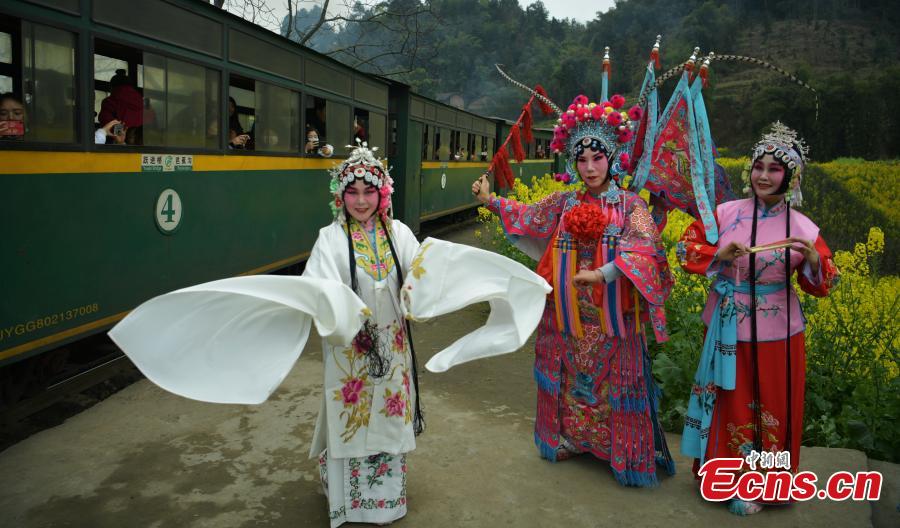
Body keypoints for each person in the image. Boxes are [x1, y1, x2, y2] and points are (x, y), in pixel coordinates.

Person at [472, 92, 674, 487]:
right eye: (582, 159)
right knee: (569, 380)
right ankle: (572, 439)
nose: (590, 167)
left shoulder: (632, 206)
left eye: (597, 158)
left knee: (615, 382)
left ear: (612, 158)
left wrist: (604, 274)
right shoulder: (565, 202)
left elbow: (647, 250)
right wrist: (491, 200)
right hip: (566, 315)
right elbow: (528, 217)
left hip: (612, 316)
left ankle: (625, 452)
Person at [677, 122, 840, 515]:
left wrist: (816, 261)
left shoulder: (803, 229)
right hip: (726, 323)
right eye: (758, 167)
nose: (764, 176)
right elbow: (687, 248)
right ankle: (726, 479)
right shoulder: (724, 213)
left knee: (773, 403)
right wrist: (719, 255)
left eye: (775, 169)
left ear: (791, 177)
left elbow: (822, 282)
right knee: (731, 400)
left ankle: (765, 484)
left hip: (778, 332)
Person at [303, 142, 424, 526]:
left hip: (392, 345)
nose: (360, 201)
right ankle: (350, 501)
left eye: (368, 191)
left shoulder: (400, 234)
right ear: (341, 195)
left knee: (388, 416)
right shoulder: (330, 239)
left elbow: (421, 274)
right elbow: (316, 288)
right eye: (352, 192)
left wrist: (416, 294)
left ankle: (385, 501)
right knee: (350, 415)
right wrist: (342, 310)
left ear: (382, 193)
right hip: (348, 353)